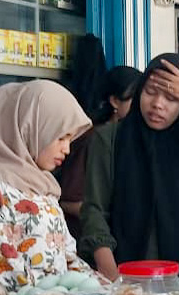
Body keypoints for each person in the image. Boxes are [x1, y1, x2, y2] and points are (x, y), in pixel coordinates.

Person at [80, 54, 179, 294]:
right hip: (128, 282)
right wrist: (114, 277)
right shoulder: (110, 139)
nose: (158, 104)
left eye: (172, 98)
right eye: (150, 92)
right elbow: (94, 210)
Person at [0, 80, 93, 291]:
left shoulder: (44, 185)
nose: (66, 149)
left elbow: (66, 255)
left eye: (70, 140)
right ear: (31, 127)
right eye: (60, 138)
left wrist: (99, 287)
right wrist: (48, 294)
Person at [57, 65, 143, 239]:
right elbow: (69, 200)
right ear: (114, 101)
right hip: (88, 242)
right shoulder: (94, 138)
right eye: (133, 98)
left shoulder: (137, 138)